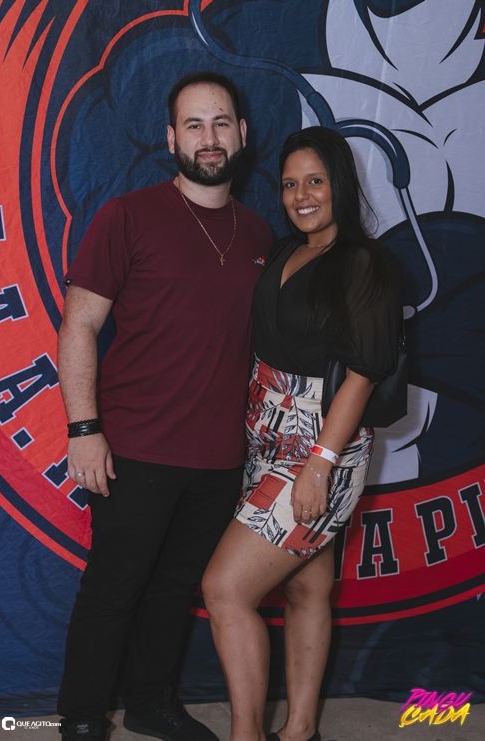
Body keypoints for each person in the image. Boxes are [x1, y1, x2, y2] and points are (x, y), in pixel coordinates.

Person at [56, 71, 272, 741]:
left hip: (219, 457)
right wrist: (84, 428)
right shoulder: (128, 216)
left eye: (221, 123)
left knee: (174, 591)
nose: (209, 138)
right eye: (194, 125)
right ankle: (81, 717)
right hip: (134, 448)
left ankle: (151, 704)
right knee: (114, 587)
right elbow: (79, 324)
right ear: (171, 137)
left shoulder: (260, 233)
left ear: (242, 133)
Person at [201, 126, 402, 741]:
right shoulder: (286, 250)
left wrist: (320, 463)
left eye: (315, 181)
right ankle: (301, 731)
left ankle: (246, 735)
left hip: (320, 441)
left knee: (225, 588)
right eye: (290, 185)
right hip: (265, 433)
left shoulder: (364, 262)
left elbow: (364, 371)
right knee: (307, 587)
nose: (301, 196)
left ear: (340, 183)